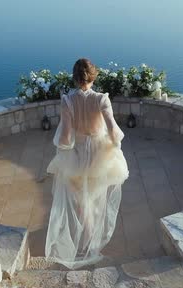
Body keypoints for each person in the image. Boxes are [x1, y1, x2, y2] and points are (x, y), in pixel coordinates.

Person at [45, 58, 129, 269]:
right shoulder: (102, 100)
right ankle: (91, 246)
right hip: (99, 158)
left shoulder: (68, 101)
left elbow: (64, 139)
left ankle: (84, 244)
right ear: (94, 76)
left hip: (76, 157)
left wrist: (65, 149)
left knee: (82, 203)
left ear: (74, 78)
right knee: (93, 198)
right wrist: (116, 143)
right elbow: (113, 132)